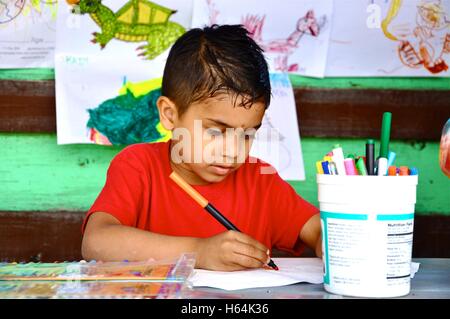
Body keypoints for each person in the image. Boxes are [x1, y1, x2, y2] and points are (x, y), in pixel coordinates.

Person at [81, 24, 322, 271]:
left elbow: (317, 230)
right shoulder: (139, 167)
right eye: (216, 131)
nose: (233, 151)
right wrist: (199, 252)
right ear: (169, 115)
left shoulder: (261, 180)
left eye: (248, 134)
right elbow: (96, 242)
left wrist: (327, 242)